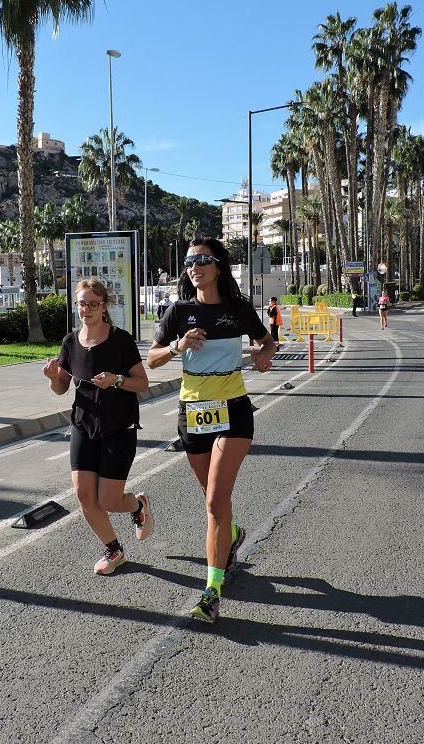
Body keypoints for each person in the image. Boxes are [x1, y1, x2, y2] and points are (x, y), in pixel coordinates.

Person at [148, 237, 276, 624]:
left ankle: (211, 591)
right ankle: (232, 533)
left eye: (202, 260)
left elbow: (267, 342)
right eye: (189, 261)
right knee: (214, 502)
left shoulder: (237, 309)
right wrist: (177, 347)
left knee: (215, 501)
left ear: (218, 265)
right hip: (193, 412)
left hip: (233, 410)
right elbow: (151, 360)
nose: (194, 266)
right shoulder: (178, 311)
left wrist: (262, 357)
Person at [43, 278, 152, 575]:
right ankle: (114, 550)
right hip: (83, 424)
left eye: (93, 304)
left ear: (104, 306)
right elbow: (61, 388)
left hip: (119, 426)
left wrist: (116, 380)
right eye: (81, 303)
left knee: (109, 500)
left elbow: (142, 382)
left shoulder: (121, 340)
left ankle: (138, 506)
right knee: (84, 496)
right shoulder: (70, 342)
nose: (86, 309)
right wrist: (53, 376)